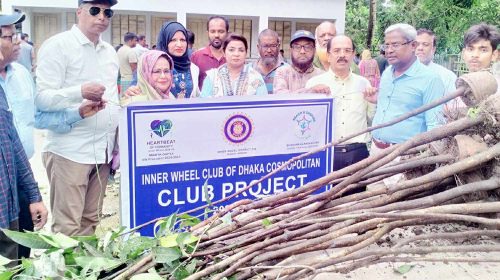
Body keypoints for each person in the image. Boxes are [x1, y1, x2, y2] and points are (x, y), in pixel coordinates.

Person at [35, 0, 120, 236]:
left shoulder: (110, 52)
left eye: (107, 12)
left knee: (90, 221)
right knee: (67, 227)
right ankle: (64, 273)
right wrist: (78, 92)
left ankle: (83, 273)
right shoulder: (58, 46)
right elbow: (42, 98)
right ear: (79, 11)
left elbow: (113, 98)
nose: (102, 16)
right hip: (69, 151)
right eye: (95, 10)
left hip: (102, 152)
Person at [0, 11, 48, 263]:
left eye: (16, 35)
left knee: (19, 256)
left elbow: (18, 140)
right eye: (10, 37)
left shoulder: (21, 75)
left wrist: (33, 194)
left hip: (17, 179)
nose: (18, 42)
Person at [363, 23, 445, 153]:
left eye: (395, 45)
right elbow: (396, 106)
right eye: (386, 45)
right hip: (376, 150)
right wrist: (378, 99)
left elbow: (435, 126)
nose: (389, 50)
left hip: (406, 156)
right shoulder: (387, 73)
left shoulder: (430, 79)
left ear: (413, 45)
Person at [307, 35, 375, 170]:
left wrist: (373, 102)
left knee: (358, 192)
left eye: (347, 51)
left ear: (353, 54)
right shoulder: (314, 84)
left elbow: (371, 118)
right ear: (328, 55)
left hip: (358, 153)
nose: (342, 55)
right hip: (325, 152)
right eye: (337, 51)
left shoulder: (364, 83)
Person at [200, 33, 267, 97]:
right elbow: (203, 104)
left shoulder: (256, 77)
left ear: (246, 53)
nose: (236, 54)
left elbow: (264, 105)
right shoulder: (212, 77)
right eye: (231, 50)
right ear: (224, 52)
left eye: (241, 50)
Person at [273, 30, 327, 94]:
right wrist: (310, 91)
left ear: (314, 50)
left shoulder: (322, 75)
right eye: (297, 47)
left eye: (308, 47)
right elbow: (280, 97)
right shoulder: (282, 72)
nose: (302, 51)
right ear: (291, 50)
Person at [157, 21, 200, 98]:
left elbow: (196, 96)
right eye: (173, 40)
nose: (179, 45)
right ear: (165, 42)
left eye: (183, 40)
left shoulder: (193, 69)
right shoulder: (153, 67)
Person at [191, 16, 228, 89]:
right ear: (208, 33)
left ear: (227, 33)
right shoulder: (196, 56)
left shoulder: (233, 57)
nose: (216, 35)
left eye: (221, 31)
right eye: (212, 31)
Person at [416, 29, 457, 93]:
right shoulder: (399, 75)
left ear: (433, 49)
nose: (420, 48)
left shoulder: (447, 77)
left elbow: (454, 102)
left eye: (425, 44)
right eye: (416, 44)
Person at [252, 29, 286, 94]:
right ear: (258, 47)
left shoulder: (287, 70)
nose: (269, 50)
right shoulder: (249, 70)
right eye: (265, 46)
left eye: (273, 46)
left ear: (278, 47)